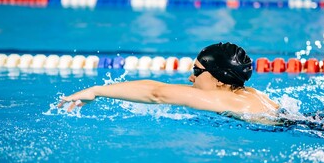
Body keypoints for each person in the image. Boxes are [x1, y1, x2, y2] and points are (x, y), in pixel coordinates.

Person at [58, 42, 279, 121]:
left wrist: (96, 90)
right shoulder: (246, 94)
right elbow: (163, 89)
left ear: (220, 80)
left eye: (197, 70)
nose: (190, 77)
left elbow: (157, 93)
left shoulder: (224, 100)